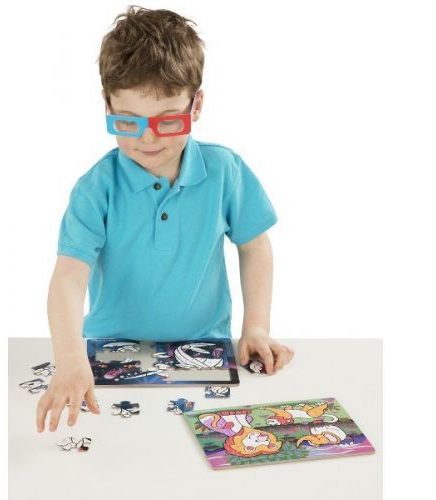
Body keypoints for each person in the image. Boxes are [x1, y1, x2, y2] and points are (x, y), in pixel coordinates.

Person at [36, 6, 294, 434]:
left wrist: (256, 327)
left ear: (197, 105)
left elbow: (254, 247)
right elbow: (68, 277)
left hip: (206, 354)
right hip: (104, 359)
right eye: (127, 121)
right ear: (106, 104)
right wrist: (69, 361)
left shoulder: (225, 170)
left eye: (168, 120)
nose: (148, 137)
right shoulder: (95, 188)